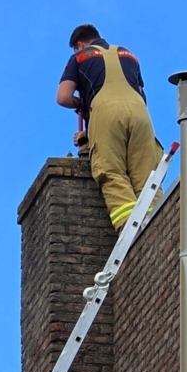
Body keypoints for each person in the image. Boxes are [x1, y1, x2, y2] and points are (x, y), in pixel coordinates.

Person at [57, 24, 163, 231]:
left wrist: (81, 105)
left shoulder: (79, 57)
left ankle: (129, 229)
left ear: (79, 45)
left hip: (105, 111)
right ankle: (160, 227)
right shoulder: (128, 54)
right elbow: (137, 96)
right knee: (146, 176)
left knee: (111, 172)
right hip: (140, 113)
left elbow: (63, 97)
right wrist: (90, 133)